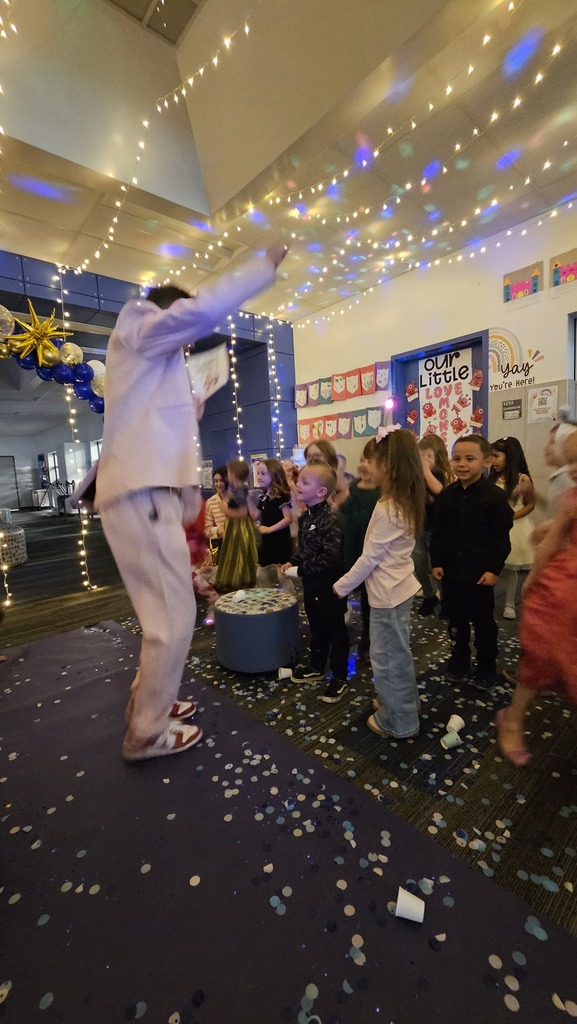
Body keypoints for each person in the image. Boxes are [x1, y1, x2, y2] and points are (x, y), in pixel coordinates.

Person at [95, 243, 288, 761]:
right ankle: (145, 733)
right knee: (172, 617)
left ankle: (149, 703)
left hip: (140, 493)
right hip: (142, 494)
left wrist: (191, 403)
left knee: (166, 612)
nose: (183, 345)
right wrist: (261, 264)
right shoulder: (140, 321)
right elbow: (198, 309)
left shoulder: (144, 361)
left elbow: (158, 423)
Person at [333, 427, 425, 739]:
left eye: (372, 460)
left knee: (385, 660)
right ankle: (403, 703)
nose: (366, 467)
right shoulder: (406, 498)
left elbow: (369, 558)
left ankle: (399, 721)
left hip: (387, 594)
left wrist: (341, 587)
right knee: (398, 654)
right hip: (399, 588)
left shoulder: (388, 507)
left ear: (389, 465)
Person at [496, 430, 577, 766]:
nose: (573, 469)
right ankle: (513, 717)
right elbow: (552, 533)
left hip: (563, 572)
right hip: (563, 581)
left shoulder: (565, 487)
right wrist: (534, 583)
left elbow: (552, 525)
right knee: (544, 650)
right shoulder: (569, 491)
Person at [430, 435, 513, 691]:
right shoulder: (447, 495)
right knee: (456, 621)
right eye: (457, 458)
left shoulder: (495, 497)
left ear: (485, 461)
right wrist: (437, 562)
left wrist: (493, 570)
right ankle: (459, 660)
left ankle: (487, 665)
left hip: (480, 575)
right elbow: (438, 533)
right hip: (452, 573)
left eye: (469, 458)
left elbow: (501, 539)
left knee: (483, 622)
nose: (462, 464)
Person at [281, 463, 349, 703]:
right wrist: (294, 561)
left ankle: (340, 676)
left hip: (329, 586)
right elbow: (306, 550)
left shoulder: (329, 519)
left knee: (335, 630)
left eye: (305, 482)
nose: (298, 485)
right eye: (300, 480)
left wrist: (302, 569)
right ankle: (317, 667)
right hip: (311, 584)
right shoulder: (306, 514)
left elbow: (330, 558)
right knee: (316, 626)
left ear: (321, 492)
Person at [339, 450, 380, 659]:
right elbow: (344, 512)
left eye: (369, 460)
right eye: (362, 459)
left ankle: (369, 636)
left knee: (369, 597)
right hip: (353, 546)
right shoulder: (353, 487)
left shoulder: (382, 492)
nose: (363, 464)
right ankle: (362, 631)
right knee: (358, 591)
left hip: (372, 548)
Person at [488, 436, 535, 620]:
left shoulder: (522, 479)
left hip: (514, 526)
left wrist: (511, 516)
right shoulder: (492, 478)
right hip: (492, 526)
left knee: (510, 568)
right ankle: (486, 600)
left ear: (510, 456)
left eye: (496, 456)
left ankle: (509, 603)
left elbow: (531, 504)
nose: (492, 460)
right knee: (490, 565)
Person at [414, 435, 454, 616]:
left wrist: (426, 472)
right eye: (421, 456)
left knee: (438, 566)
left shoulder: (444, 474)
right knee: (418, 563)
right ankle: (429, 596)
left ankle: (447, 601)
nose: (424, 460)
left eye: (428, 456)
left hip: (440, 529)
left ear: (438, 456)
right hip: (421, 525)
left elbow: (441, 492)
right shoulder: (419, 475)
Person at [215, 457, 258, 591]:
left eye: (228, 473)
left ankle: (238, 579)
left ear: (233, 474)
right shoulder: (238, 489)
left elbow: (243, 512)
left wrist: (226, 510)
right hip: (235, 526)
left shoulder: (241, 490)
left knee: (238, 551)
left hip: (239, 527)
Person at [255, 459, 294, 590]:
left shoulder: (281, 496)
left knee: (282, 575)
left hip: (280, 539)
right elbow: (258, 514)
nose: (259, 477)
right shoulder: (264, 496)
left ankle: (291, 600)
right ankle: (267, 596)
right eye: (258, 473)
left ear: (274, 474)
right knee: (260, 574)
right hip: (267, 540)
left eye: (263, 473)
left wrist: (270, 529)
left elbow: (288, 518)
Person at [204, 465, 229, 564]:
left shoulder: (237, 499)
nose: (218, 484)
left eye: (222, 480)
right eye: (216, 481)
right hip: (221, 546)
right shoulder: (211, 502)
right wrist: (218, 530)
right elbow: (206, 529)